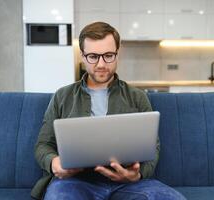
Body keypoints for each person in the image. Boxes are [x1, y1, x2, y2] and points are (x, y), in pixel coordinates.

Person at [31, 21, 185, 200]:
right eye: (93, 56)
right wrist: (54, 163)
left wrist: (139, 174)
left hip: (127, 183)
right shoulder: (63, 96)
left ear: (118, 53)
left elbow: (153, 148)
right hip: (75, 182)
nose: (101, 64)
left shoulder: (137, 97)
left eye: (108, 55)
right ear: (82, 56)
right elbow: (43, 145)